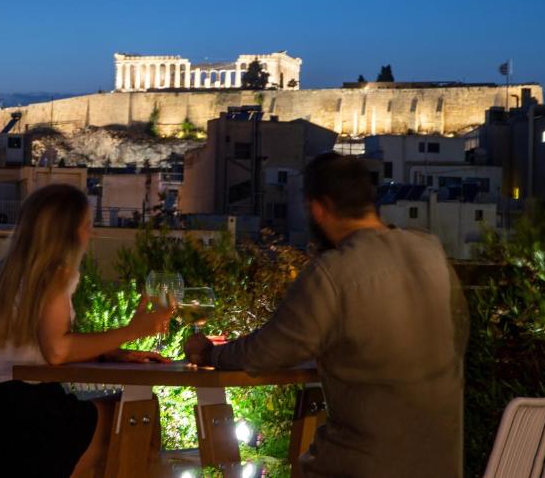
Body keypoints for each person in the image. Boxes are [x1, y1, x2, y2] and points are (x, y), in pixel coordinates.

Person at [185, 153, 468, 478]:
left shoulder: (333, 273)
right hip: (442, 465)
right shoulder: (430, 251)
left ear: (320, 208)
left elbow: (269, 350)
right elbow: (458, 335)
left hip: (365, 465)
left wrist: (210, 352)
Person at [0, 183, 174, 477]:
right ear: (65, 233)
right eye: (86, 225)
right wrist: (133, 330)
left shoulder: (3, 275)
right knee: (141, 410)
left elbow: (33, 345)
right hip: (34, 420)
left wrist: (111, 354)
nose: (90, 234)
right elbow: (56, 350)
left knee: (132, 414)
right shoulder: (54, 275)